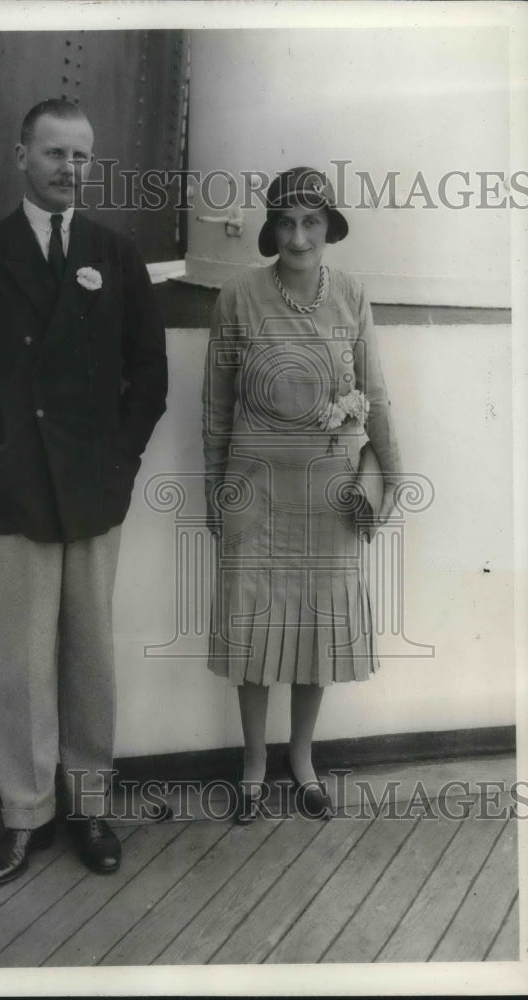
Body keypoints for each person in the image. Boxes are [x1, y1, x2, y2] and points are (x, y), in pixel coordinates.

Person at [0, 99, 167, 880]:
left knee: (89, 656)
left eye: (83, 156)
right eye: (56, 153)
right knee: (19, 663)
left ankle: (89, 808)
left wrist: (118, 460)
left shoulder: (115, 253)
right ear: (19, 154)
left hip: (93, 490)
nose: (70, 169)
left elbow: (148, 377)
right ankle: (25, 815)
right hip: (14, 491)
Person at [202, 167, 400, 823]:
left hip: (330, 494)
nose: (298, 235)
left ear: (327, 227)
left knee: (316, 626)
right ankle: (253, 766)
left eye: (311, 221)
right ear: (270, 229)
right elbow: (214, 407)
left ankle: (302, 760)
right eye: (285, 221)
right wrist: (215, 491)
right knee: (254, 630)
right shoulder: (236, 298)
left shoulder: (351, 295)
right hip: (253, 490)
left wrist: (391, 479)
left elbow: (376, 395)